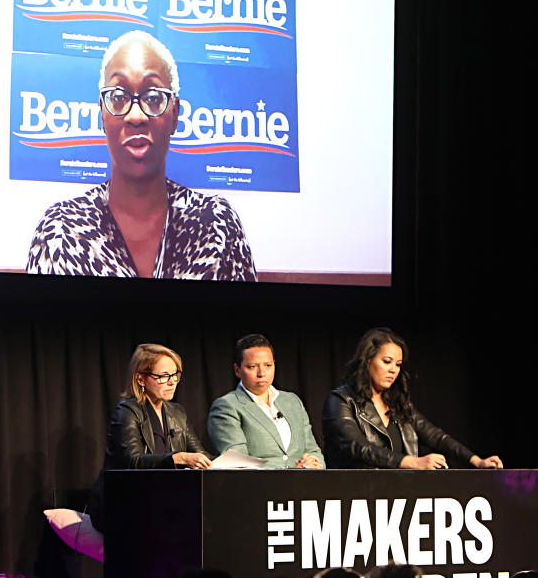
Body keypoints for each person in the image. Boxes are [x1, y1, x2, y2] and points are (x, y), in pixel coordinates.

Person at [26, 31, 256, 280]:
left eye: (154, 98)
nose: (136, 116)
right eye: (118, 97)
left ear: (175, 113)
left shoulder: (215, 225)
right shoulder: (61, 230)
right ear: (102, 113)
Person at [322, 327, 503, 470]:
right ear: (368, 360)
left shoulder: (396, 403)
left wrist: (477, 461)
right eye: (387, 361)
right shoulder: (341, 401)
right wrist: (412, 462)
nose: (393, 369)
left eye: (398, 364)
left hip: (400, 494)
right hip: (356, 497)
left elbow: (436, 437)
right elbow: (358, 447)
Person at [86, 343, 213, 528]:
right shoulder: (127, 411)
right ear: (141, 379)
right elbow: (132, 461)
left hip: (162, 501)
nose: (172, 382)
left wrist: (233, 464)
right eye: (163, 376)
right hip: (124, 505)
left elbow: (200, 454)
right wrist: (177, 458)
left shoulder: (177, 412)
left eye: (175, 374)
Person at [207, 334, 323, 468]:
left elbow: (314, 451)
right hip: (258, 487)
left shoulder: (292, 401)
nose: (261, 373)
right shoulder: (227, 406)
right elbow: (238, 464)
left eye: (268, 365)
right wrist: (291, 474)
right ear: (237, 370)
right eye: (252, 367)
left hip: (305, 484)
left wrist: (313, 464)